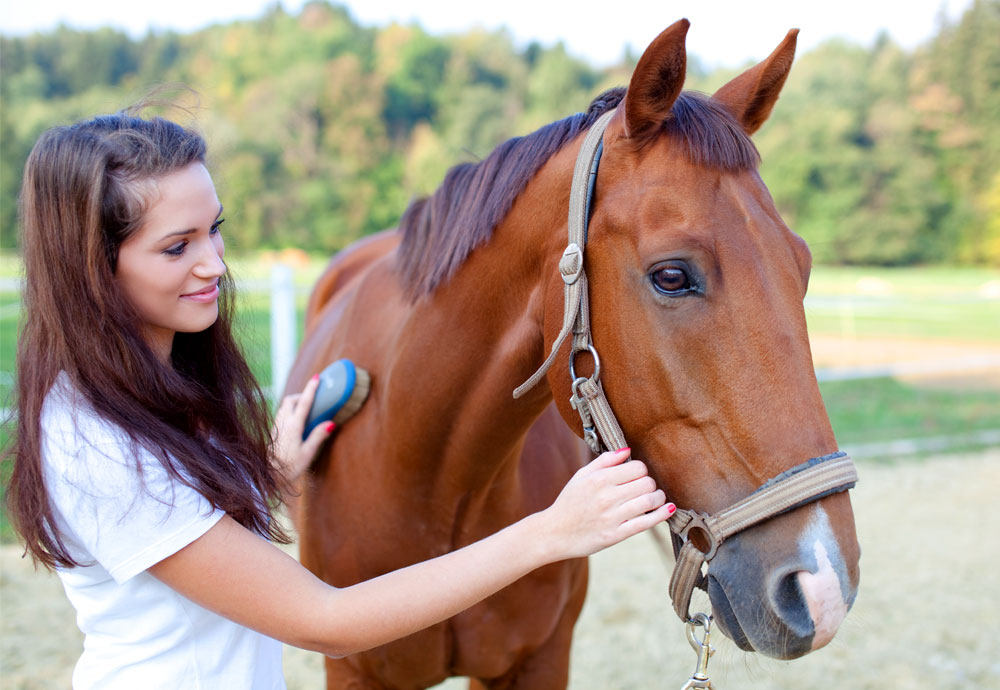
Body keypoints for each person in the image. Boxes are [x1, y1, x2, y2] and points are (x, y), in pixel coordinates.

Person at [4, 109, 675, 689]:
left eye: (214, 228)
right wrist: (551, 532)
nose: (214, 263)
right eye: (177, 247)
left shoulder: (155, 385)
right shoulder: (96, 440)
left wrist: (267, 472)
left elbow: (192, 531)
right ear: (92, 268)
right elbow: (324, 621)